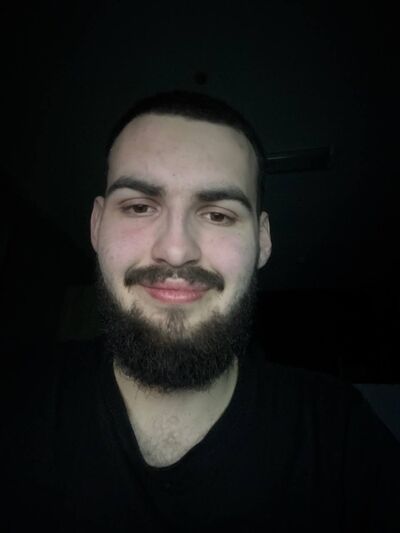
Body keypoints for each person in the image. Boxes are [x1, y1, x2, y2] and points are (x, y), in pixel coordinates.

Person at [2, 91, 399, 532]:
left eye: (217, 215)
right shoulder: (15, 400)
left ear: (263, 240)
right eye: (139, 207)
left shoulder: (340, 437)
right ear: (96, 225)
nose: (176, 251)